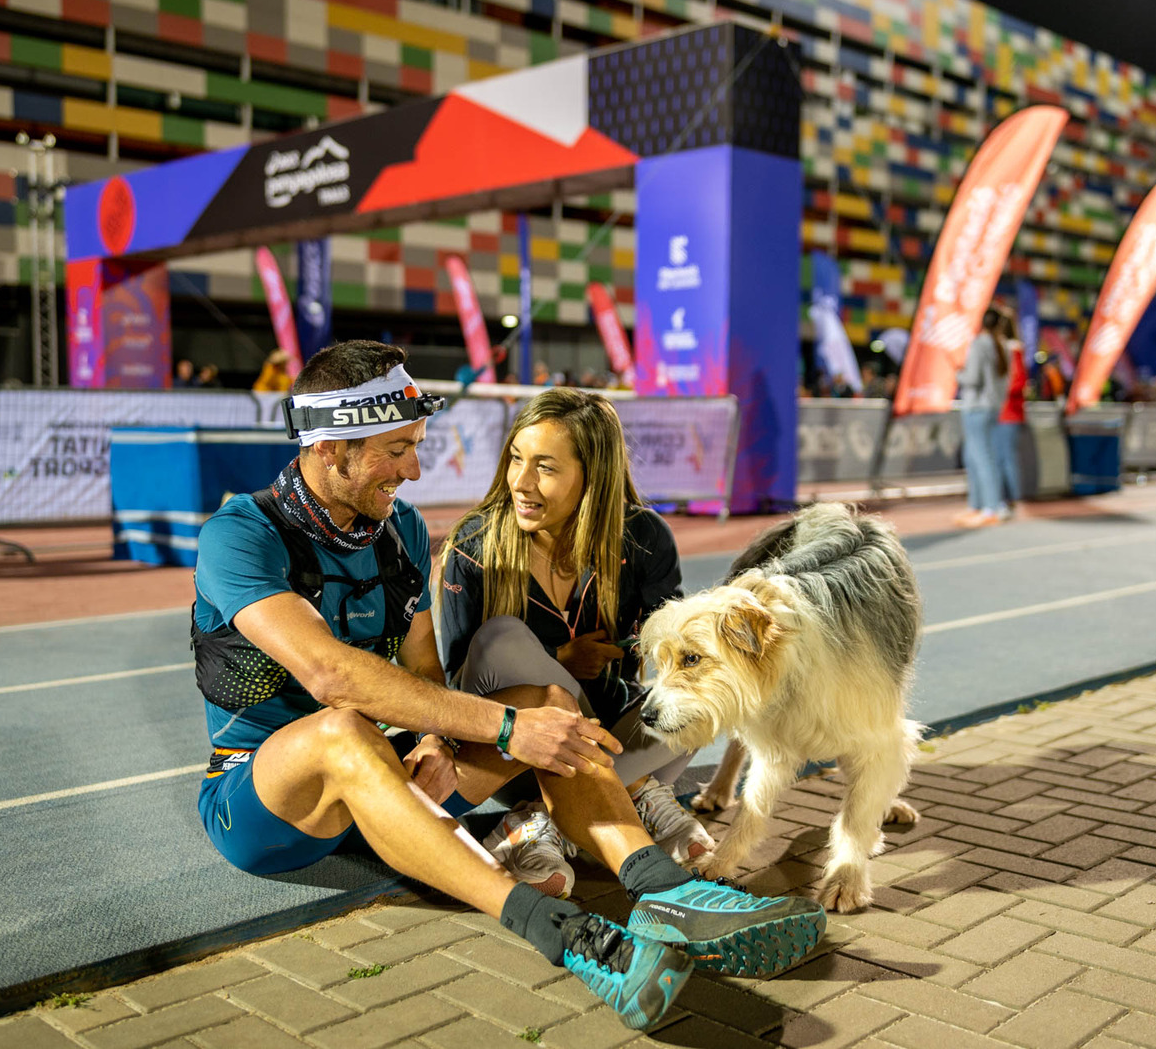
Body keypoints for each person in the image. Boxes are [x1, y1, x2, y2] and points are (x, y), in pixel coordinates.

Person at [190, 341, 823, 1031]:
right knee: (346, 732)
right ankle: (561, 931)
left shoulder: (401, 529)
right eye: (397, 450)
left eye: (416, 447)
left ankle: (665, 889)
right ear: (331, 445)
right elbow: (331, 675)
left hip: (392, 781)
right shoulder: (240, 533)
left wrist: (437, 738)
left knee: (548, 705)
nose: (414, 469)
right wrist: (504, 730)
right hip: (266, 802)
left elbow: (424, 669)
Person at [438, 389, 716, 898]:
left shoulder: (644, 537)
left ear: (593, 476)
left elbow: (676, 657)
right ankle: (634, 796)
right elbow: (458, 684)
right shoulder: (474, 544)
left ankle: (540, 823)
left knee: (705, 693)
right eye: (516, 459)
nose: (520, 482)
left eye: (544, 467)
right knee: (502, 637)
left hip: (616, 740)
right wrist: (558, 660)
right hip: (517, 758)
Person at [954, 308, 1010, 527]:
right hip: (992, 407)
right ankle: (978, 506)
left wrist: (957, 372)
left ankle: (990, 508)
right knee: (976, 456)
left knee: (981, 457)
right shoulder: (1003, 344)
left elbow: (972, 378)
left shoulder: (980, 343)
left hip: (976, 407)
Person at [993, 321, 1026, 517]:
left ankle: (1010, 498)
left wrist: (996, 391)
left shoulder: (1012, 350)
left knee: (1005, 458)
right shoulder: (1012, 350)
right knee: (1002, 458)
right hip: (1004, 413)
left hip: (1008, 413)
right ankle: (1006, 498)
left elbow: (1017, 382)